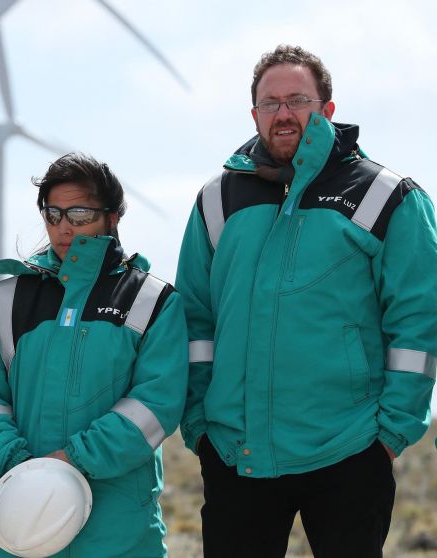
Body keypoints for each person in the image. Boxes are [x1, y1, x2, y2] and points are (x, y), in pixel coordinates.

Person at [176, 44, 437, 557]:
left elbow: (419, 320)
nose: (283, 113)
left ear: (327, 110)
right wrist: (200, 425)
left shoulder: (385, 196)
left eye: (298, 99)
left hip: (350, 449)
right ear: (254, 114)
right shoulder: (216, 199)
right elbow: (193, 317)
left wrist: (390, 433)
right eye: (270, 103)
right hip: (235, 451)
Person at [0, 152, 188, 557]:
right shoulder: (5, 302)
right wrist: (21, 468)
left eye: (79, 214)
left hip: (119, 534)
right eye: (54, 214)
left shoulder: (151, 302)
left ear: (112, 217)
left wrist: (73, 459)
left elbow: (156, 403)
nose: (64, 227)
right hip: (25, 526)